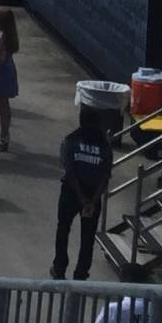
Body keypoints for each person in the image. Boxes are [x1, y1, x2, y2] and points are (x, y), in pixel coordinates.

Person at [50, 100, 115, 280]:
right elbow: (105, 175)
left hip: (71, 193)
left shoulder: (70, 141)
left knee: (63, 229)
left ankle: (59, 267)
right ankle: (81, 274)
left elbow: (69, 171)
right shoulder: (104, 147)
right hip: (93, 195)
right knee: (88, 238)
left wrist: (82, 198)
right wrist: (92, 201)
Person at [0, 8, 21, 149]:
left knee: (2, 107)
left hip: (1, 72)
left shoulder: (2, 36)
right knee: (5, 106)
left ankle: (3, 138)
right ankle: (4, 136)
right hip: (9, 70)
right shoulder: (11, 35)